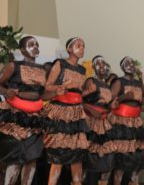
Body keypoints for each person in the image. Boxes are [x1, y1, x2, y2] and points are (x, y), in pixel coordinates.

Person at [43, 37, 89, 185]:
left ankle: (77, 182)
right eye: (78, 45)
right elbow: (48, 85)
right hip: (61, 111)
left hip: (76, 113)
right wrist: (57, 89)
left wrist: (87, 92)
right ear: (69, 49)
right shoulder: (60, 63)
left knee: (76, 153)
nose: (81, 48)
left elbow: (79, 92)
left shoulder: (82, 70)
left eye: (83, 46)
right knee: (59, 153)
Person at [0, 36, 46, 185]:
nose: (35, 47)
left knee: (32, 156)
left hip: (36, 117)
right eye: (31, 45)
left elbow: (42, 94)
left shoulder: (42, 70)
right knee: (17, 157)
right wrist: (6, 92)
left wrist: (57, 92)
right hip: (15, 116)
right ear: (22, 49)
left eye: (37, 44)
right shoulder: (13, 66)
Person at [109, 56, 144, 185]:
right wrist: (123, 97)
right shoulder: (119, 81)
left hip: (135, 123)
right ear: (122, 67)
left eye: (132, 63)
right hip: (122, 123)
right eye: (127, 63)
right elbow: (110, 102)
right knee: (122, 159)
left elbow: (139, 103)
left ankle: (134, 182)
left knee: (137, 158)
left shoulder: (139, 83)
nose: (131, 65)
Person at [82, 55, 114, 185]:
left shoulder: (106, 85)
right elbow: (80, 100)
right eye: (98, 63)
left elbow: (107, 104)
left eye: (104, 63)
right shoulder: (91, 81)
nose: (102, 66)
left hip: (104, 122)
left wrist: (113, 106)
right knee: (92, 158)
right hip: (92, 121)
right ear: (94, 67)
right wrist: (91, 109)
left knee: (107, 158)